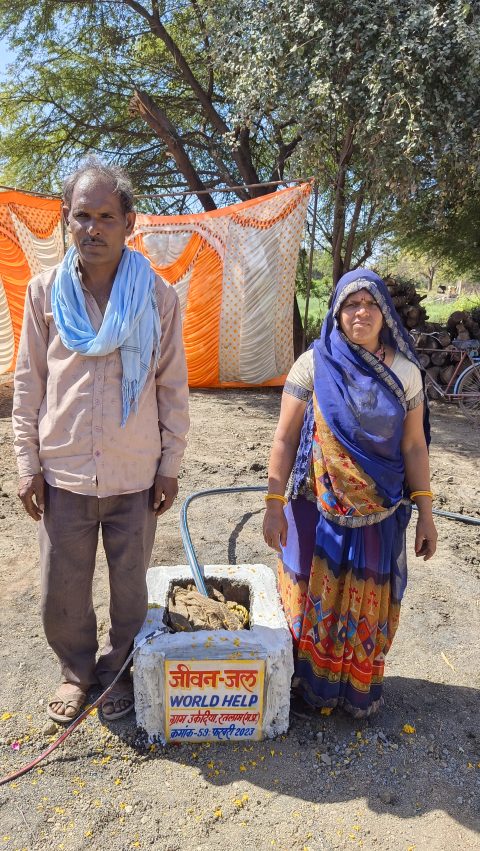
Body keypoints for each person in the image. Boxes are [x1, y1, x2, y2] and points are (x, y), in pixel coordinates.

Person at [12, 158, 189, 723]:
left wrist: (169, 464)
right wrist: (26, 463)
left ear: (129, 222)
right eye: (82, 216)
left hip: (134, 472)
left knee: (130, 589)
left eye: (106, 216)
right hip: (63, 471)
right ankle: (76, 673)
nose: (93, 228)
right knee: (60, 591)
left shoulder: (157, 297)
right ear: (66, 220)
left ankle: (117, 673)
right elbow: (29, 385)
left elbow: (171, 388)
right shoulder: (44, 294)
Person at [263, 269, 437, 718]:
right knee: (307, 594)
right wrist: (273, 504)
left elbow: (414, 446)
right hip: (314, 504)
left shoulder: (404, 372)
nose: (361, 312)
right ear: (337, 312)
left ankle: (355, 691)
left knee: (365, 604)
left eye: (370, 303)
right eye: (351, 304)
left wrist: (426, 513)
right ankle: (304, 689)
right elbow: (285, 438)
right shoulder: (313, 364)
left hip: (378, 509)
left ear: (385, 313)